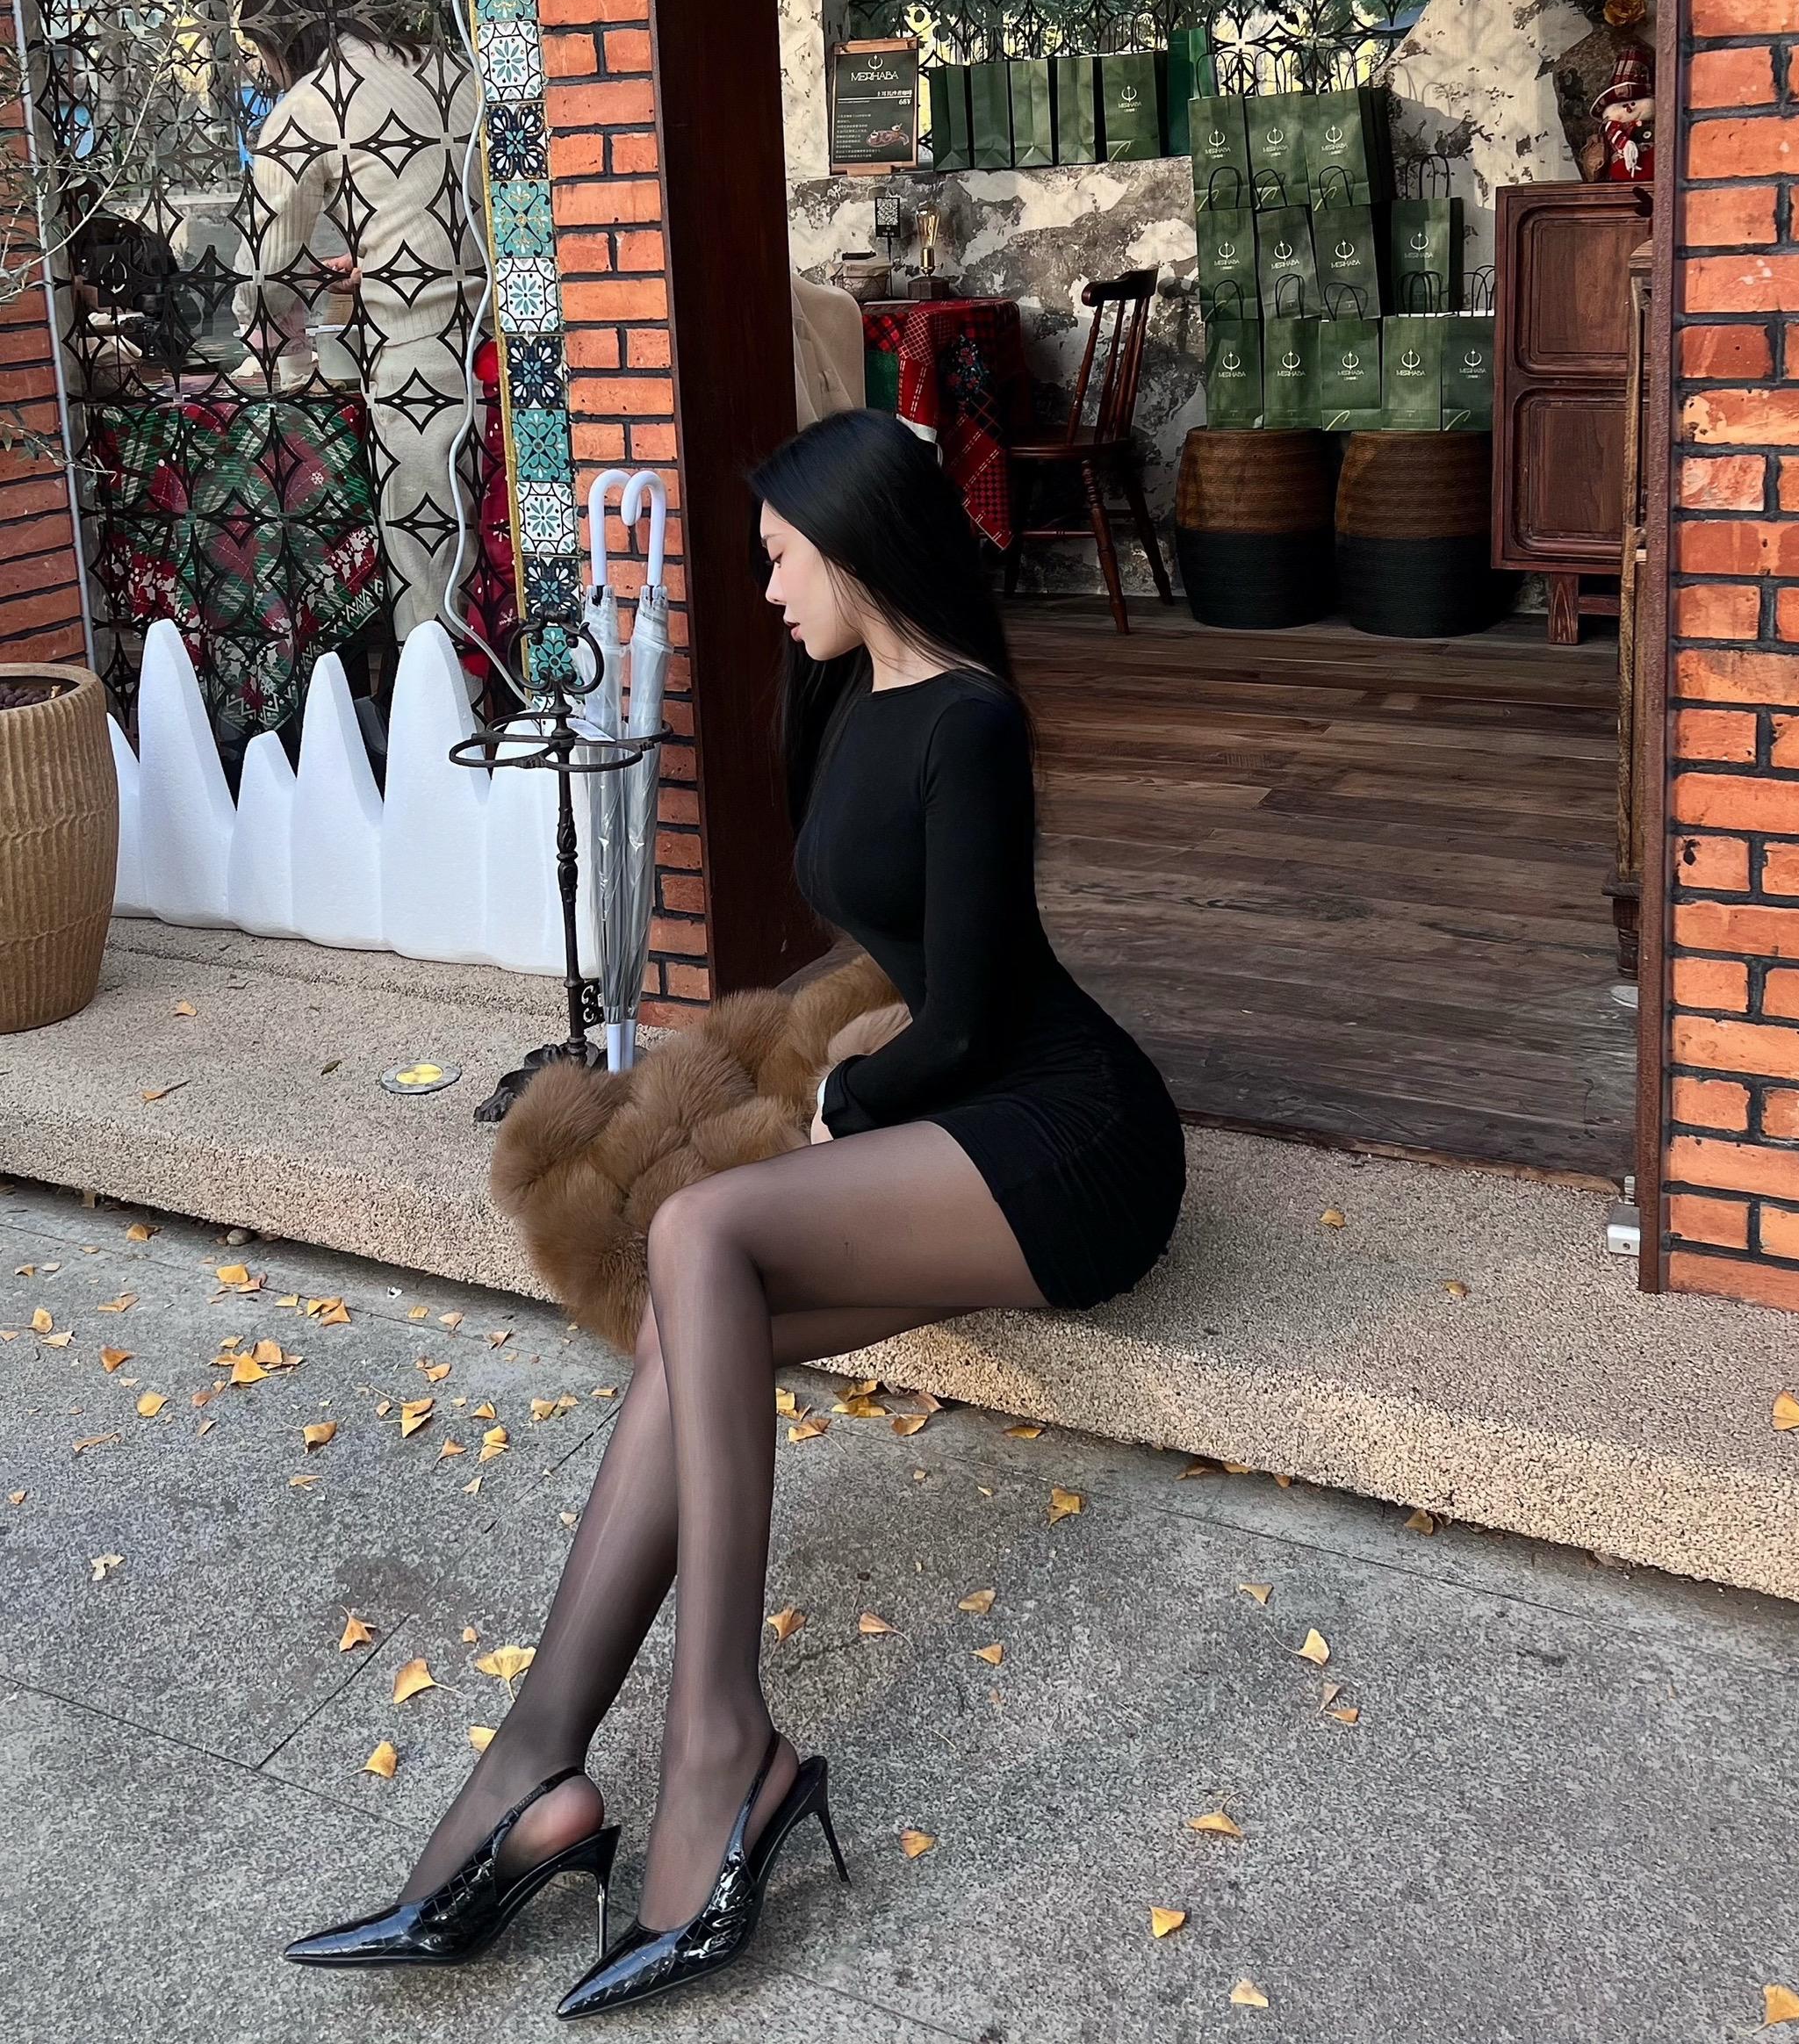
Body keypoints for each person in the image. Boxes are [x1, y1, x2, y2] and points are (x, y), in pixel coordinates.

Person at [284, 405, 1188, 2012]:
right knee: (699, 1326)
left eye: (780, 559)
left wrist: (851, 1096)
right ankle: (536, 1771)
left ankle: (719, 1747)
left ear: (855, 545)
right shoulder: (848, 701)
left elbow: (975, 1014)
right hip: (967, 1116)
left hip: (1072, 1137)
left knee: (701, 1235)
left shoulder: (973, 723)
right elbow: (885, 953)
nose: (766, 591)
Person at [234, 0, 486, 640]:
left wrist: (260, 326)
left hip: (418, 371)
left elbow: (263, 268)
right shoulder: (447, 68)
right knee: (508, 575)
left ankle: (449, 710)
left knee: (430, 594)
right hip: (507, 351)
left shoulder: (310, 105)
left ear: (271, 40)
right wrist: (384, 259)